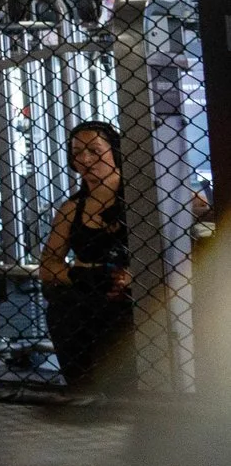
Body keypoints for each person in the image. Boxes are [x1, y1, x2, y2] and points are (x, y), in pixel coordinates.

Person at [37, 120, 134, 389]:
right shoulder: (71, 209)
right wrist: (82, 275)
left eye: (94, 150)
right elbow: (48, 265)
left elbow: (198, 206)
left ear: (115, 150)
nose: (85, 158)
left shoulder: (144, 194)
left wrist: (135, 276)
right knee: (64, 306)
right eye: (77, 152)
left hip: (133, 297)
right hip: (88, 296)